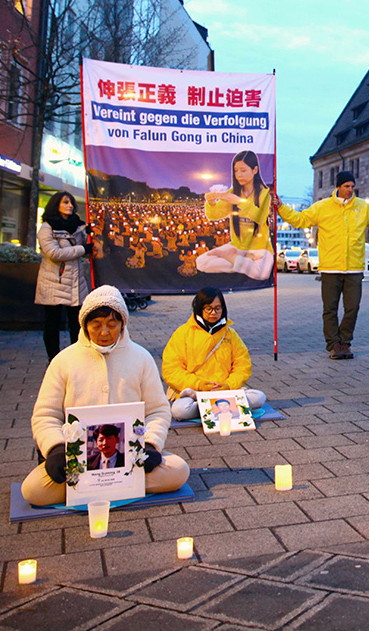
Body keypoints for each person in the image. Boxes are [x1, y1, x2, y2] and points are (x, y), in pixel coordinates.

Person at [21, 286, 190, 506]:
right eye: (96, 325)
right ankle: (118, 488)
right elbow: (45, 415)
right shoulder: (64, 361)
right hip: (78, 462)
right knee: (33, 491)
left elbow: (157, 410)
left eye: (112, 325)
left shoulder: (141, 358)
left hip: (129, 458)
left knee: (178, 471)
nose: (104, 332)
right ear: (84, 325)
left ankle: (98, 489)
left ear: (122, 325)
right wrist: (55, 448)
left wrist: (150, 444)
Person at [277, 171, 369, 360]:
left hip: (354, 267)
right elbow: (300, 219)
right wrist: (280, 207)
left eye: (352, 186)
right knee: (330, 309)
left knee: (352, 307)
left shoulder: (363, 207)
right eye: (346, 186)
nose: (350, 190)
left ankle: (345, 342)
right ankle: (334, 344)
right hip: (330, 267)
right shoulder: (322, 207)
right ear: (338, 187)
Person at [161, 287, 267, 421]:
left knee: (259, 398)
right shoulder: (183, 333)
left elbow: (243, 365)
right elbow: (171, 369)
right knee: (179, 410)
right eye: (208, 308)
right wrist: (199, 385)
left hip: (225, 391)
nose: (213, 313)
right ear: (199, 308)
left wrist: (228, 385)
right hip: (196, 392)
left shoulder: (230, 334)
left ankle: (209, 409)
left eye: (218, 308)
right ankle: (218, 408)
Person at [197, 150, 274, 280]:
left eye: (243, 170)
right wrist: (210, 203)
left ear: (255, 170)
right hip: (237, 247)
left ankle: (232, 259)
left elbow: (259, 216)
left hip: (260, 248)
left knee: (263, 274)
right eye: (236, 171)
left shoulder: (264, 193)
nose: (239, 175)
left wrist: (238, 201)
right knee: (201, 262)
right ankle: (243, 261)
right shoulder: (233, 192)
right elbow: (214, 216)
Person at [36, 191, 92, 362]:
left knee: (77, 323)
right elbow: (54, 253)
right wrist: (83, 250)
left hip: (75, 282)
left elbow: (83, 243)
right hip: (55, 282)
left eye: (71, 202)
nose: (70, 206)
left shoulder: (76, 226)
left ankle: (77, 358)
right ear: (56, 205)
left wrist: (87, 233)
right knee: (52, 324)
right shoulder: (47, 228)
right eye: (65, 202)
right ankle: (53, 359)